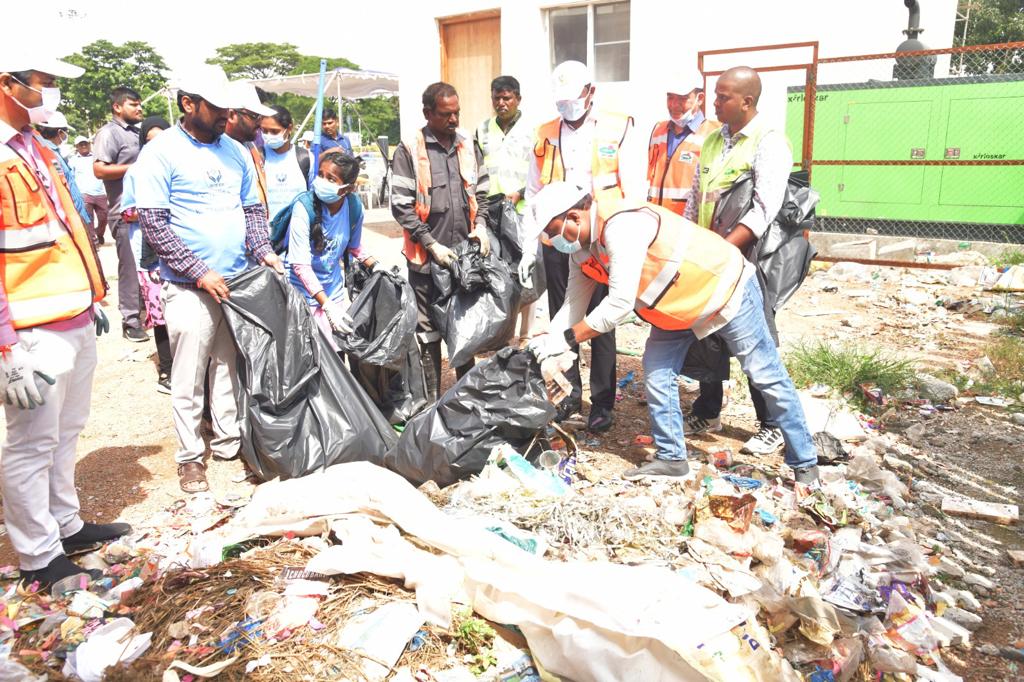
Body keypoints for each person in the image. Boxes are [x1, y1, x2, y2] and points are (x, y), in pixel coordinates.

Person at [522, 182, 819, 484]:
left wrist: (569, 339)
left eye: (551, 229)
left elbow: (619, 305)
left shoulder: (621, 225)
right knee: (657, 374)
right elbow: (573, 303)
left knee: (765, 374)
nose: (551, 239)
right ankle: (672, 458)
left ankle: (805, 464)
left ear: (574, 217)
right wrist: (551, 346)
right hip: (674, 310)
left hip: (723, 288)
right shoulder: (582, 253)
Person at [0, 55, 130, 588]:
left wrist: (91, 296)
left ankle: (65, 523)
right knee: (29, 443)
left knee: (66, 432)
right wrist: (6, 347)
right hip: (28, 329)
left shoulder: (34, 144)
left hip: (72, 311)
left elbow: (65, 224)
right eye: (44, 83)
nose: (50, 93)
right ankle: (37, 556)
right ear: (6, 82)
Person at [133, 67, 284, 494]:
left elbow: (252, 211)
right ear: (188, 104)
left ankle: (227, 445)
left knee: (227, 370)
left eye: (227, 108)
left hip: (236, 281)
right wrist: (200, 272)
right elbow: (155, 224)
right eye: (216, 107)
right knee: (188, 373)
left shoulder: (234, 151)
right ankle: (189, 458)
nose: (225, 115)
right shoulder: (161, 152)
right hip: (189, 287)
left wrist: (264, 251)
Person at [683, 66, 794, 457]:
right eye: (715, 95)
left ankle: (772, 424)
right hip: (710, 256)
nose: (714, 103)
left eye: (723, 97)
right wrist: (689, 245)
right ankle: (708, 409)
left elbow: (764, 208)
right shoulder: (713, 140)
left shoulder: (770, 142)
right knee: (708, 334)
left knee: (753, 341)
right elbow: (696, 199)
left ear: (747, 101)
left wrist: (724, 252)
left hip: (746, 260)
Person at [518, 60, 636, 433]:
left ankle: (602, 402)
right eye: (560, 102)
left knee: (601, 318)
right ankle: (568, 392)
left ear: (591, 93)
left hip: (601, 236)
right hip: (559, 239)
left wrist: (623, 236)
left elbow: (634, 186)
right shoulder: (545, 133)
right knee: (564, 313)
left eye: (573, 99)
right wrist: (527, 246)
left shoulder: (617, 126)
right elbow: (533, 192)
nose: (566, 108)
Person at [390, 82, 490, 402]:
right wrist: (431, 244)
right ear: (428, 113)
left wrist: (483, 226)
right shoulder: (410, 149)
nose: (454, 119)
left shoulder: (467, 144)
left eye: (457, 113)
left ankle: (466, 400)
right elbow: (401, 205)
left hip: (462, 258)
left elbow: (483, 192)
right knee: (428, 331)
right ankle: (432, 401)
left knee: (463, 330)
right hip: (426, 258)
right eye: (446, 114)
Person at [285, 151, 377, 344]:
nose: (321, 181)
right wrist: (325, 305)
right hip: (302, 295)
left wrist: (376, 266)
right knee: (308, 356)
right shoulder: (304, 209)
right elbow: (300, 265)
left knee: (337, 355)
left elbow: (354, 246)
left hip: (333, 292)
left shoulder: (354, 208)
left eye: (330, 178)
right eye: (320, 175)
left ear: (347, 189)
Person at [474, 75, 538, 342]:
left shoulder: (533, 130)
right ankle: (502, 333)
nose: (501, 103)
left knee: (526, 266)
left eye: (507, 98)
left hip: (522, 208)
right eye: (496, 98)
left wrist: (520, 193)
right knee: (497, 268)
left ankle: (526, 334)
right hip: (491, 210)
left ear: (518, 99)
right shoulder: (483, 129)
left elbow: (540, 171)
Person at [120, 116, 173, 393]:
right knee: (159, 312)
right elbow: (127, 212)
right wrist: (155, 209)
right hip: (148, 254)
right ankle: (167, 371)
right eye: (151, 141)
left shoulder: (180, 166)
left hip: (177, 248)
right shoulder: (136, 173)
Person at [93, 86, 147, 342]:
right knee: (130, 266)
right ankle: (131, 320)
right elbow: (100, 170)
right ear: (118, 107)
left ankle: (148, 314)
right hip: (123, 212)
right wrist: (138, 168)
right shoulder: (109, 133)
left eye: (140, 104)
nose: (139, 108)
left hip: (147, 211)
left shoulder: (139, 132)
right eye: (133, 104)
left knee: (148, 266)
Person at [647, 72, 721, 216]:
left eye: (682, 98)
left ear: (699, 99)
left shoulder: (715, 134)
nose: (674, 105)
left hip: (689, 226)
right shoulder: (658, 130)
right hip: (656, 222)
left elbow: (718, 192)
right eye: (670, 97)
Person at [35, 112, 92, 232]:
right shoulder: (49, 154)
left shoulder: (51, 152)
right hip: (71, 217)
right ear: (60, 132)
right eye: (65, 132)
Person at [224, 82, 275, 210]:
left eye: (261, 117)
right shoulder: (220, 152)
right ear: (231, 115)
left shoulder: (250, 146)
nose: (260, 123)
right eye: (255, 116)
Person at [260, 104, 311, 223]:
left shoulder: (305, 158)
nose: (268, 136)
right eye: (264, 130)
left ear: (289, 128)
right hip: (267, 232)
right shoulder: (258, 157)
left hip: (297, 232)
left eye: (274, 131)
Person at [70, 135, 109, 245]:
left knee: (104, 217)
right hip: (84, 194)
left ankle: (99, 233)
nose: (83, 146)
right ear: (76, 147)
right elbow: (71, 178)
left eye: (85, 143)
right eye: (80, 144)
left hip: (101, 192)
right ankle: (93, 240)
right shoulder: (73, 160)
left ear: (89, 144)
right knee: (88, 219)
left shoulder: (97, 158)